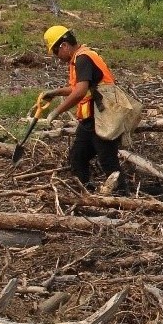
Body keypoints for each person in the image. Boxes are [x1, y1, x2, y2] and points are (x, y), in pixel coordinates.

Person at [42, 25, 130, 196]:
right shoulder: (80, 58)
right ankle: (84, 194)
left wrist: (56, 112)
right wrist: (55, 92)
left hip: (102, 116)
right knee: (77, 157)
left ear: (64, 46)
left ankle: (122, 196)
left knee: (108, 160)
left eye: (55, 52)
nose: (57, 57)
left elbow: (80, 91)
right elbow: (78, 87)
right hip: (90, 119)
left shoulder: (83, 58)